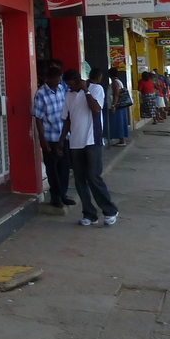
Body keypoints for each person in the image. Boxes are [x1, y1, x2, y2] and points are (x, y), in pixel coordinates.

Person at [59, 69, 119, 226]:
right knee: (79, 180)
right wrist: (61, 141)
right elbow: (67, 119)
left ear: (80, 81)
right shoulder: (69, 95)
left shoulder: (96, 89)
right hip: (75, 142)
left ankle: (110, 210)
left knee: (93, 177)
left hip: (93, 140)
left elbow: (96, 109)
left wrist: (86, 91)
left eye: (71, 84)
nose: (69, 87)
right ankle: (89, 213)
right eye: (67, 85)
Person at [33, 66, 74, 208]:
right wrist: (42, 140)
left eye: (59, 80)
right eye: (56, 80)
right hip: (50, 137)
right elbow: (38, 118)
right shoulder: (41, 94)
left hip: (63, 136)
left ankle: (63, 194)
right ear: (48, 79)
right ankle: (55, 196)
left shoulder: (62, 90)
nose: (58, 82)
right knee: (52, 168)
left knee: (64, 167)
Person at [108, 71, 132, 146]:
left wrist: (113, 106)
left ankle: (121, 140)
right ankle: (121, 139)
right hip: (120, 106)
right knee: (120, 122)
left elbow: (116, 94)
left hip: (117, 106)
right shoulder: (119, 82)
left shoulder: (115, 82)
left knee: (118, 122)